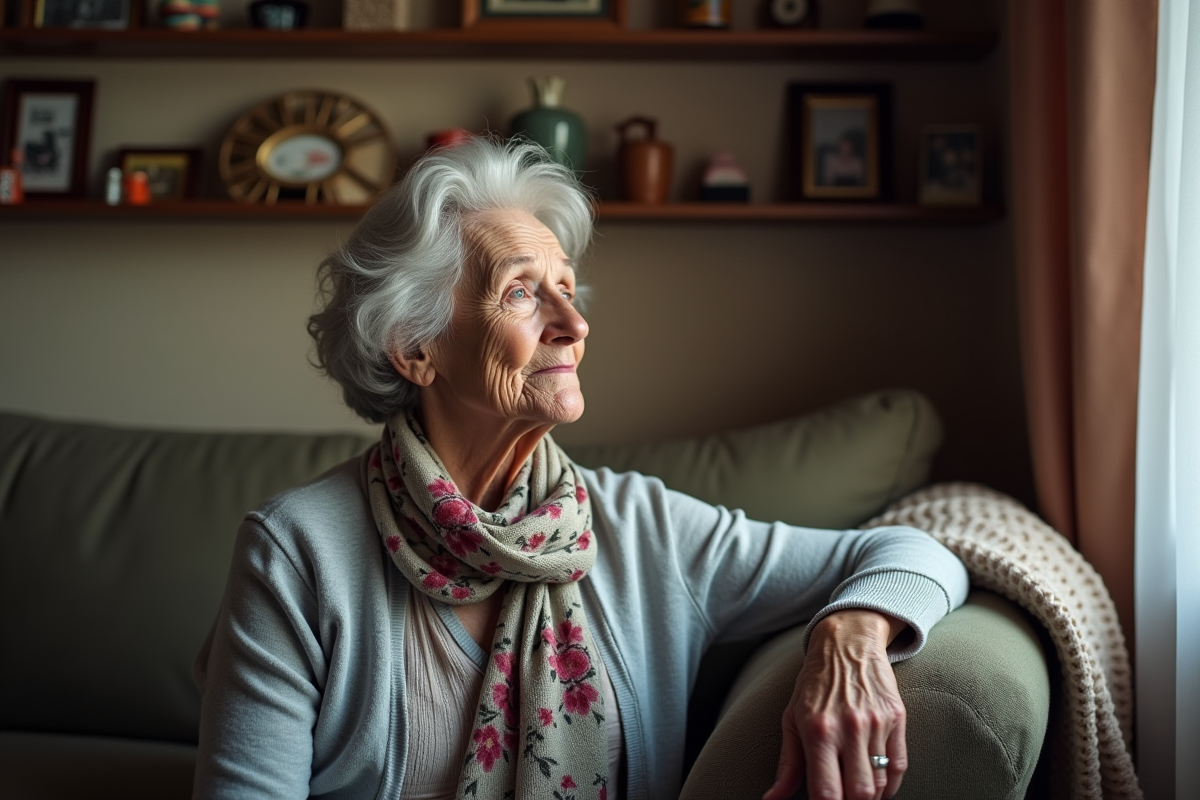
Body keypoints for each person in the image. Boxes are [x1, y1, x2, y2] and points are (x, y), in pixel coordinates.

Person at [192, 137, 969, 800]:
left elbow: (913, 554)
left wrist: (851, 633)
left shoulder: (646, 531)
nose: (574, 324)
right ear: (415, 348)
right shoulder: (298, 550)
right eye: (523, 294)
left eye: (567, 288)